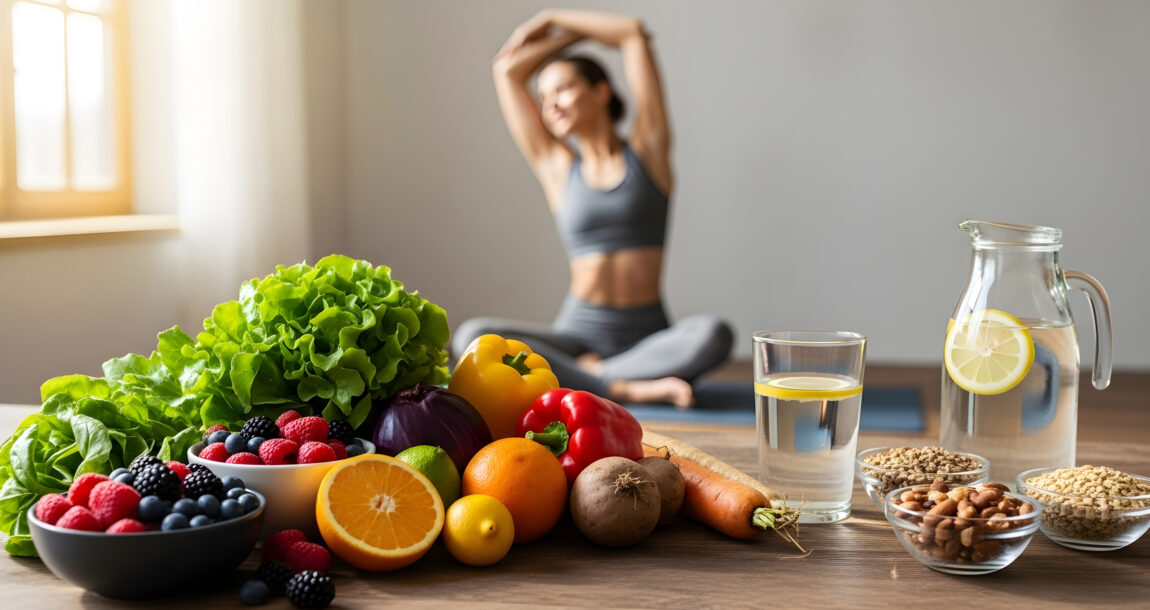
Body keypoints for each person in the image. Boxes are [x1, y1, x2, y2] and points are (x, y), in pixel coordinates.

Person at [453, 9, 733, 408]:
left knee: (714, 333)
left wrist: (552, 18)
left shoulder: (648, 153)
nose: (551, 105)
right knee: (472, 336)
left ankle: (591, 376)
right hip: (578, 331)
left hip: (647, 335)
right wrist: (563, 38)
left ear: (601, 91)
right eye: (544, 97)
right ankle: (623, 386)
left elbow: (632, 34)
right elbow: (507, 71)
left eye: (563, 89)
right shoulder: (558, 167)